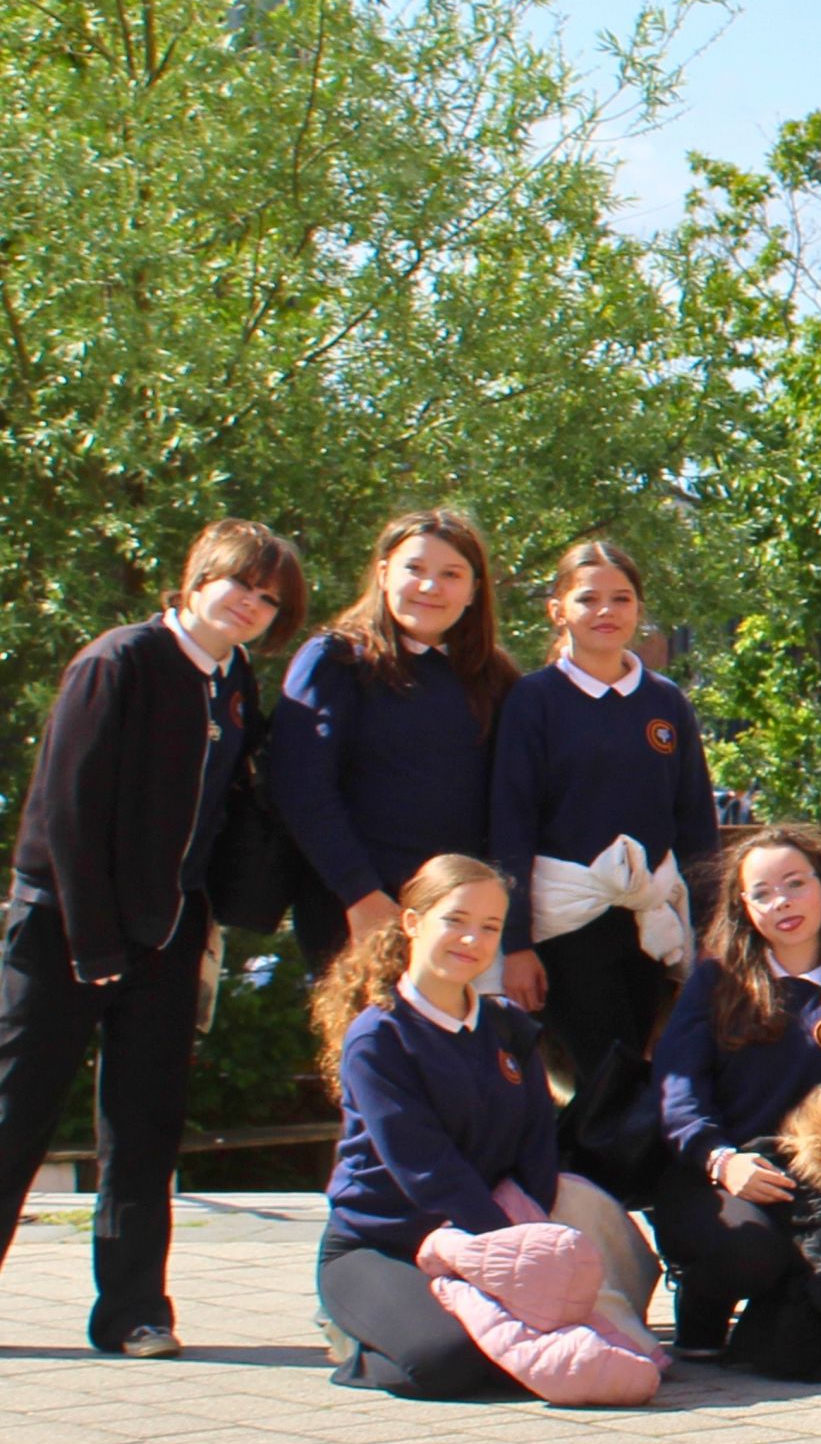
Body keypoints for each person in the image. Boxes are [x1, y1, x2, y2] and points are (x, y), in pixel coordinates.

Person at [0, 521, 303, 1359]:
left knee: (145, 1127)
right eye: (240, 583)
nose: (250, 604)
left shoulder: (233, 680)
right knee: (17, 1111)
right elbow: (67, 808)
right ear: (197, 576)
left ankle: (134, 1310)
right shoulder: (120, 660)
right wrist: (92, 940)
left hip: (169, 932)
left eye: (268, 598)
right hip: (65, 926)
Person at [490, 538, 720, 1202]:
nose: (606, 611)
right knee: (603, 1071)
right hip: (566, 923)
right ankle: (583, 1207)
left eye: (621, 598)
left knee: (637, 1066)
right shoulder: (534, 700)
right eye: (588, 597)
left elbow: (696, 826)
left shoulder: (666, 703)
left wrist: (713, 933)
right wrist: (515, 943)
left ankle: (618, 1210)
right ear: (557, 608)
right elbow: (511, 823)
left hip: (648, 921)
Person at [313, 856, 556, 1398]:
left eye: (490, 927)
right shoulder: (379, 1037)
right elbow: (426, 1169)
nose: (472, 939)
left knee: (527, 1355)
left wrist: (529, 1238)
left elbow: (539, 1144)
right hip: (383, 1246)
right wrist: (507, 1246)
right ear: (412, 922)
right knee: (448, 1362)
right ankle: (355, 1341)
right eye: (456, 920)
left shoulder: (508, 1027)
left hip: (484, 1239)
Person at [651, 823, 821, 1360]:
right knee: (749, 1253)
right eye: (763, 893)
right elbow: (678, 1090)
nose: (782, 902)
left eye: (796, 883)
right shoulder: (716, 983)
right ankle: (701, 1301)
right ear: (744, 907)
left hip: (819, 1186)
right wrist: (720, 1160)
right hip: (720, 1175)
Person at [268, 510, 512, 968]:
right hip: (355, 911)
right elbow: (301, 788)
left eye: (451, 574)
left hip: (461, 924)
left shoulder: (494, 677)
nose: (430, 586)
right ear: (383, 574)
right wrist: (360, 893)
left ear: (474, 590)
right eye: (414, 568)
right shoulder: (337, 661)